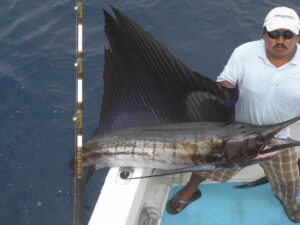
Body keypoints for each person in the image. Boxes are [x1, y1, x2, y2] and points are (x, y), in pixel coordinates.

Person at [166, 6, 300, 223]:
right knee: (207, 167)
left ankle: (290, 203)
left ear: (298, 36)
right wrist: (212, 99)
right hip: (237, 134)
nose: (280, 40)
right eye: (274, 34)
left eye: (288, 35)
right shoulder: (244, 52)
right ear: (264, 33)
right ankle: (190, 190)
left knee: (290, 180)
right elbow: (225, 82)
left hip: (277, 138)